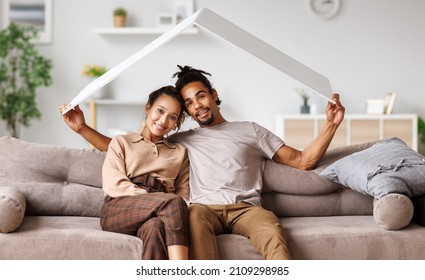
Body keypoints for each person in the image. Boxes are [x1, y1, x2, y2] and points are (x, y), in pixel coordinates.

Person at [60, 66, 345, 260]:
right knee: (192, 220)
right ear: (186, 113)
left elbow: (303, 161)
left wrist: (331, 125)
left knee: (272, 231)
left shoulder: (251, 130)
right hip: (202, 210)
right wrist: (83, 129)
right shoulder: (180, 140)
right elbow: (124, 150)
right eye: (189, 103)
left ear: (214, 95)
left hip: (247, 208)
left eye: (201, 96)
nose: (198, 105)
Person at [61, 86, 190, 260]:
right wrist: (152, 200)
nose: (163, 120)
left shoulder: (180, 152)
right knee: (173, 203)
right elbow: (114, 184)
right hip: (120, 206)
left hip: (161, 208)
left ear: (176, 123)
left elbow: (184, 195)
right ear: (148, 108)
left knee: (155, 228)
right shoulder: (121, 142)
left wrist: (160, 204)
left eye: (172, 117)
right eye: (160, 111)